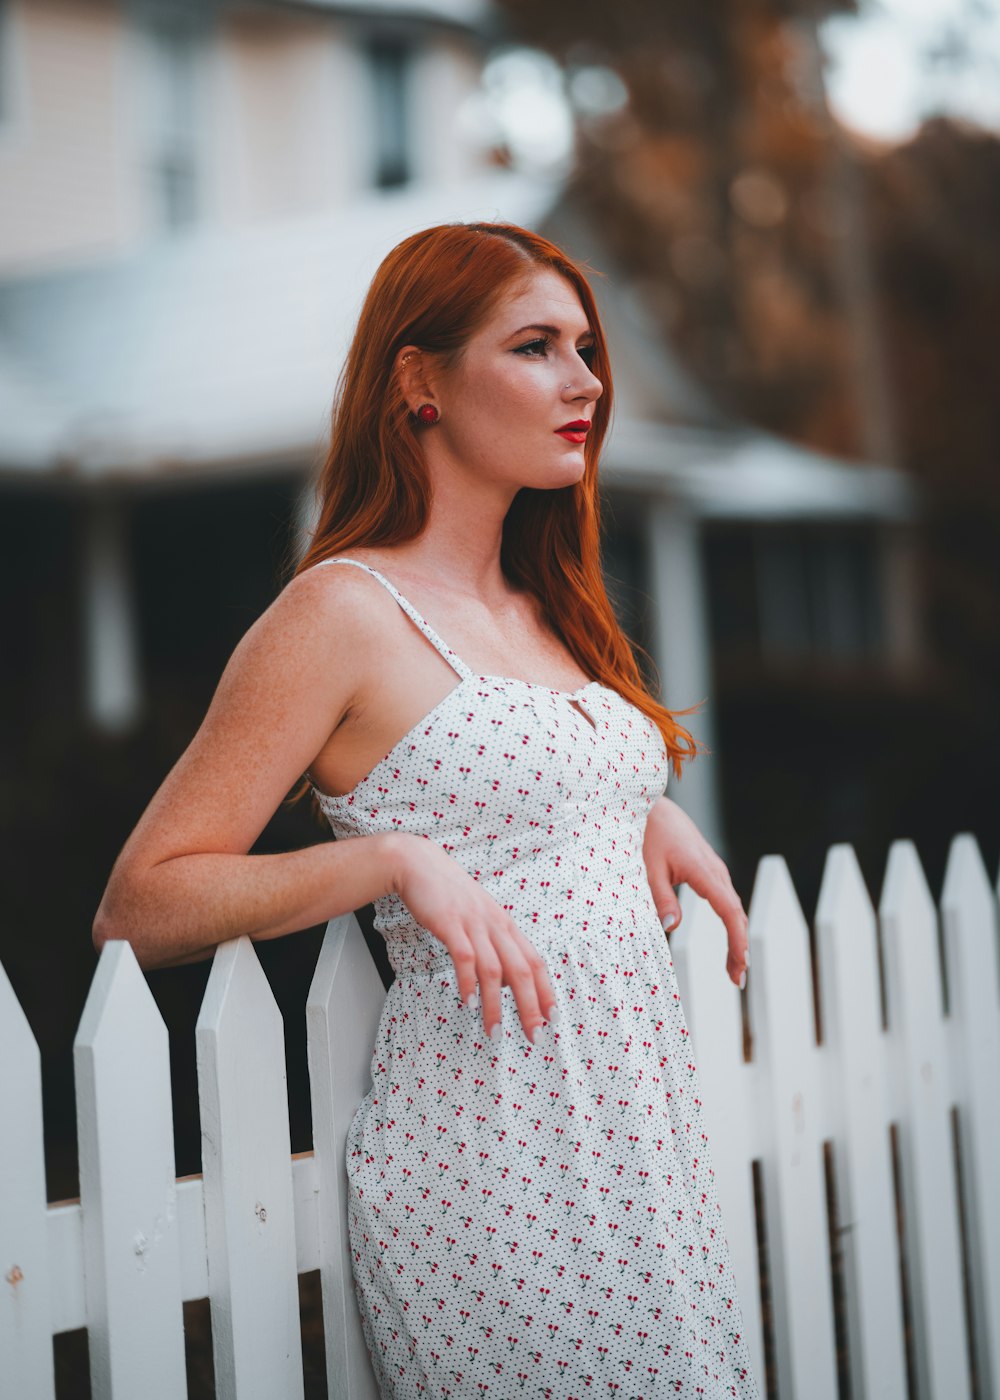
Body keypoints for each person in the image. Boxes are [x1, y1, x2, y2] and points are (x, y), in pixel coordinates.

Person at [94, 220, 758, 1398]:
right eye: (536, 346)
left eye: (587, 348)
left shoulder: (546, 604)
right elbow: (141, 900)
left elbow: (514, 788)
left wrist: (632, 805)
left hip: (640, 1151)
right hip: (493, 1178)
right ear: (419, 382)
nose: (586, 380)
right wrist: (386, 859)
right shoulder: (340, 611)